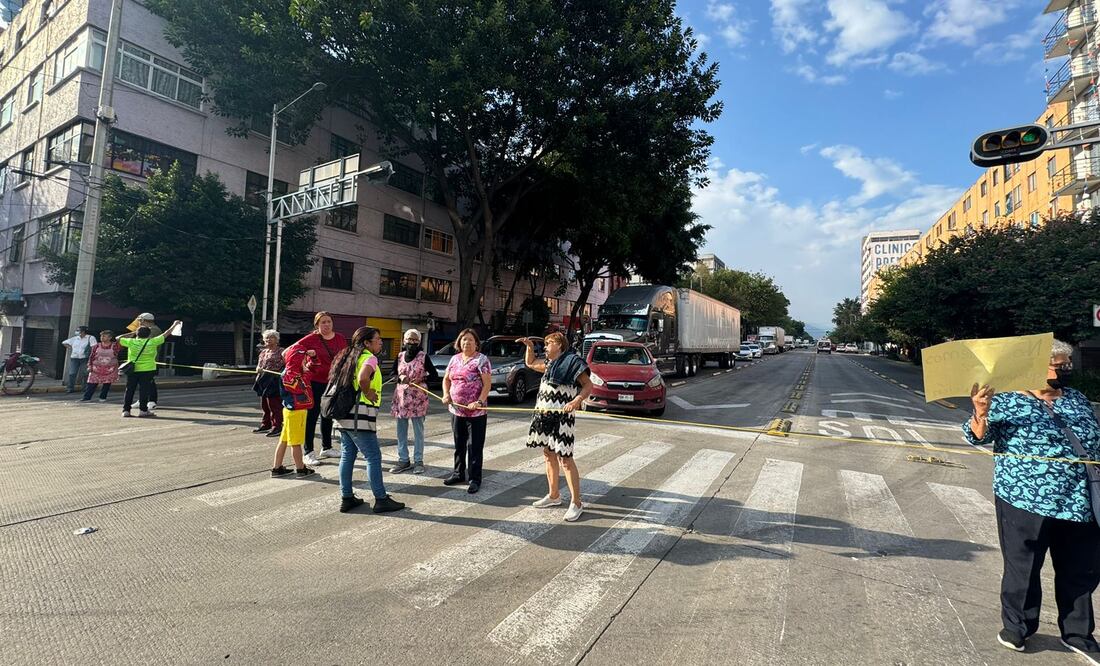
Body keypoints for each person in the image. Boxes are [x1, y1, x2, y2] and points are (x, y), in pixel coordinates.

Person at [965, 338, 1100, 661]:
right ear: (1035, 369)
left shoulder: (1078, 400)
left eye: (1066, 364)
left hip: (1079, 501)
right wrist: (980, 412)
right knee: (1023, 567)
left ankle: (1078, 633)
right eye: (1058, 365)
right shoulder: (1009, 401)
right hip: (1024, 499)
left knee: (1081, 569)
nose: (1064, 370)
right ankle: (1018, 625)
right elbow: (975, 436)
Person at [331, 326, 405, 513]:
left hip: (343, 415)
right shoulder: (369, 358)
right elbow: (364, 378)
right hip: (359, 416)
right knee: (373, 456)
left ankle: (346, 497)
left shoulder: (346, 357)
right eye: (378, 339)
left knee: (348, 455)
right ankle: (381, 499)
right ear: (366, 342)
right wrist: (368, 391)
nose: (381, 342)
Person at [522, 331, 594, 522]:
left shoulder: (573, 362)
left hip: (562, 417)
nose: (545, 347)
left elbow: (588, 385)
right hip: (544, 414)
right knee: (548, 453)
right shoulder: (549, 364)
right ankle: (554, 495)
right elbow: (530, 363)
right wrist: (529, 347)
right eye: (544, 344)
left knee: (565, 459)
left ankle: (576, 502)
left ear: (560, 345)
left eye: (549, 343)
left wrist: (577, 400)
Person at [441, 328, 491, 493]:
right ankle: (458, 473)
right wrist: (446, 394)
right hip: (456, 410)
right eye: (463, 340)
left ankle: (475, 479)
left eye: (470, 340)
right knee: (459, 444)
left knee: (474, 446)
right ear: (459, 342)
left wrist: (479, 401)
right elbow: (446, 379)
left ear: (476, 343)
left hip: (476, 412)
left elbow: (487, 384)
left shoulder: (481, 360)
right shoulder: (454, 359)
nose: (466, 343)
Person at [295, 311, 349, 466]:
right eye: (323, 322)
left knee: (328, 414)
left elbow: (345, 357)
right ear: (317, 325)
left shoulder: (339, 338)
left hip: (333, 382)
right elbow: (291, 352)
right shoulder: (311, 339)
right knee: (312, 416)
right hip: (314, 382)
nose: (326, 325)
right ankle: (308, 452)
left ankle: (327, 447)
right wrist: (303, 361)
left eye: (329, 321)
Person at [387, 328, 438, 474]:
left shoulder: (423, 356)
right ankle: (403, 460)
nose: (412, 342)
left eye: (415, 339)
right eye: (409, 339)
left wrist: (422, 378)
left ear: (419, 342)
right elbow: (392, 373)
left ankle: (418, 461)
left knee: (418, 431)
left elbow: (434, 375)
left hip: (418, 399)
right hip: (401, 399)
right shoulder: (399, 356)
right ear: (404, 340)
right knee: (401, 431)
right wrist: (400, 377)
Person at [271, 343, 317, 478]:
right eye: (303, 358)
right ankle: (301, 469)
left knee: (284, 440)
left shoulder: (291, 372)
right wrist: (304, 372)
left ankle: (277, 467)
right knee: (295, 442)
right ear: (296, 359)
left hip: (290, 410)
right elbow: (298, 387)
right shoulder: (291, 374)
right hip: (295, 411)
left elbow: (313, 370)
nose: (305, 360)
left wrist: (311, 359)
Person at [117, 321, 180, 418]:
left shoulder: (131, 342)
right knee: (144, 390)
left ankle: (126, 410)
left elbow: (118, 338)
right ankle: (143, 410)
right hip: (148, 369)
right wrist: (174, 325)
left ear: (137, 334)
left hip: (132, 369)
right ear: (149, 334)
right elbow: (166, 333)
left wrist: (132, 333)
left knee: (129, 390)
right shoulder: (153, 342)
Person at [253, 330, 285, 437]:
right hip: (263, 379)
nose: (268, 340)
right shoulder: (263, 352)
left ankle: (277, 426)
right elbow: (260, 364)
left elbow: (285, 365)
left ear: (277, 339)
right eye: (266, 338)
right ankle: (266, 424)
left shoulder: (282, 351)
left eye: (271, 338)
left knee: (274, 404)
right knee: (264, 404)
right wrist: (258, 368)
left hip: (274, 380)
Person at [131, 313, 163, 409]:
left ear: (145, 320)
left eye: (140, 320)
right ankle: (142, 400)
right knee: (143, 382)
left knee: (149, 381)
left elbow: (145, 341)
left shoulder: (154, 330)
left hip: (150, 359)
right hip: (142, 360)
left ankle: (152, 400)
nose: (139, 322)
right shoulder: (146, 330)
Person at [81, 331, 120, 402]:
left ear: (110, 337)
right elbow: (91, 356)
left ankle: (102, 397)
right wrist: (89, 365)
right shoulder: (96, 346)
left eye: (104, 336)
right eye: (101, 336)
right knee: (91, 383)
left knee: (107, 383)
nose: (102, 338)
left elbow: (120, 342)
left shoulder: (115, 346)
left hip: (110, 369)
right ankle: (86, 398)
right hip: (96, 368)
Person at [61, 326, 95, 393]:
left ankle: (85, 388)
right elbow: (64, 342)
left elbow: (94, 347)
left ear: (83, 331)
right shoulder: (75, 338)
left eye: (78, 330)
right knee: (72, 373)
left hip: (85, 358)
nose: (77, 332)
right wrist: (71, 347)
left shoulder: (90, 338)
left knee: (85, 373)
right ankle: (70, 388)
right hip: (74, 358)